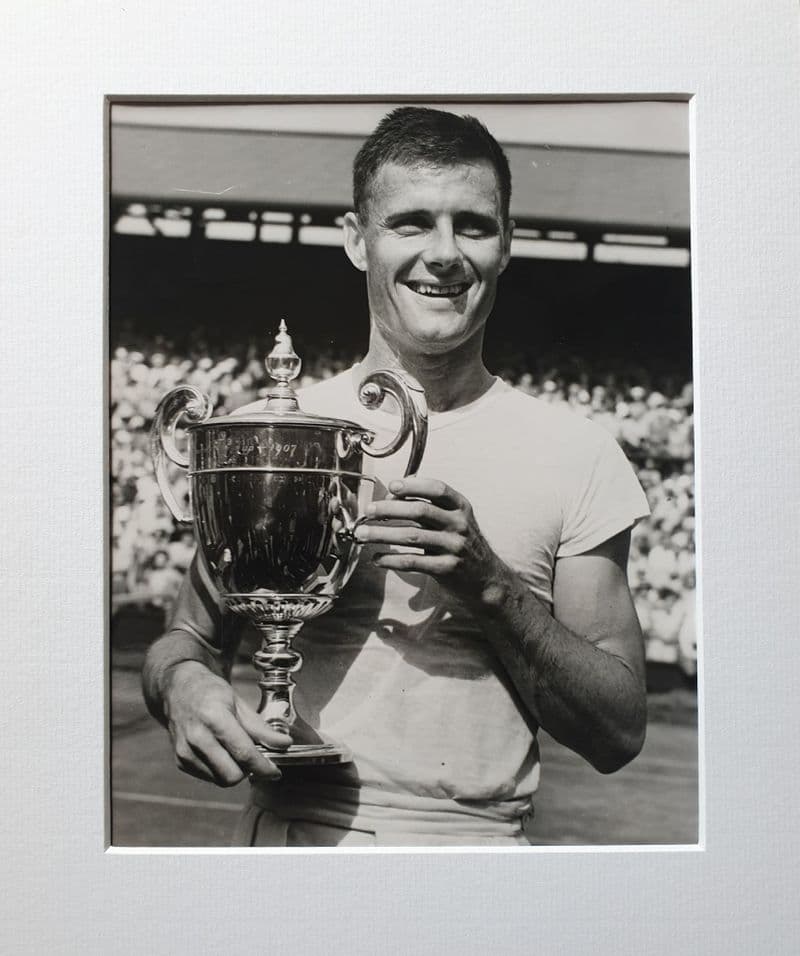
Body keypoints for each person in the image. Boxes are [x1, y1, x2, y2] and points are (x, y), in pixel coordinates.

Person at [142, 106, 650, 846]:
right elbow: (186, 636)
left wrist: (492, 586)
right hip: (294, 845)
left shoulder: (578, 452)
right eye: (411, 223)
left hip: (477, 858)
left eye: (472, 226)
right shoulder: (275, 434)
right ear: (357, 240)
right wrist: (182, 685)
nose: (444, 254)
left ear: (506, 244)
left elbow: (619, 731)